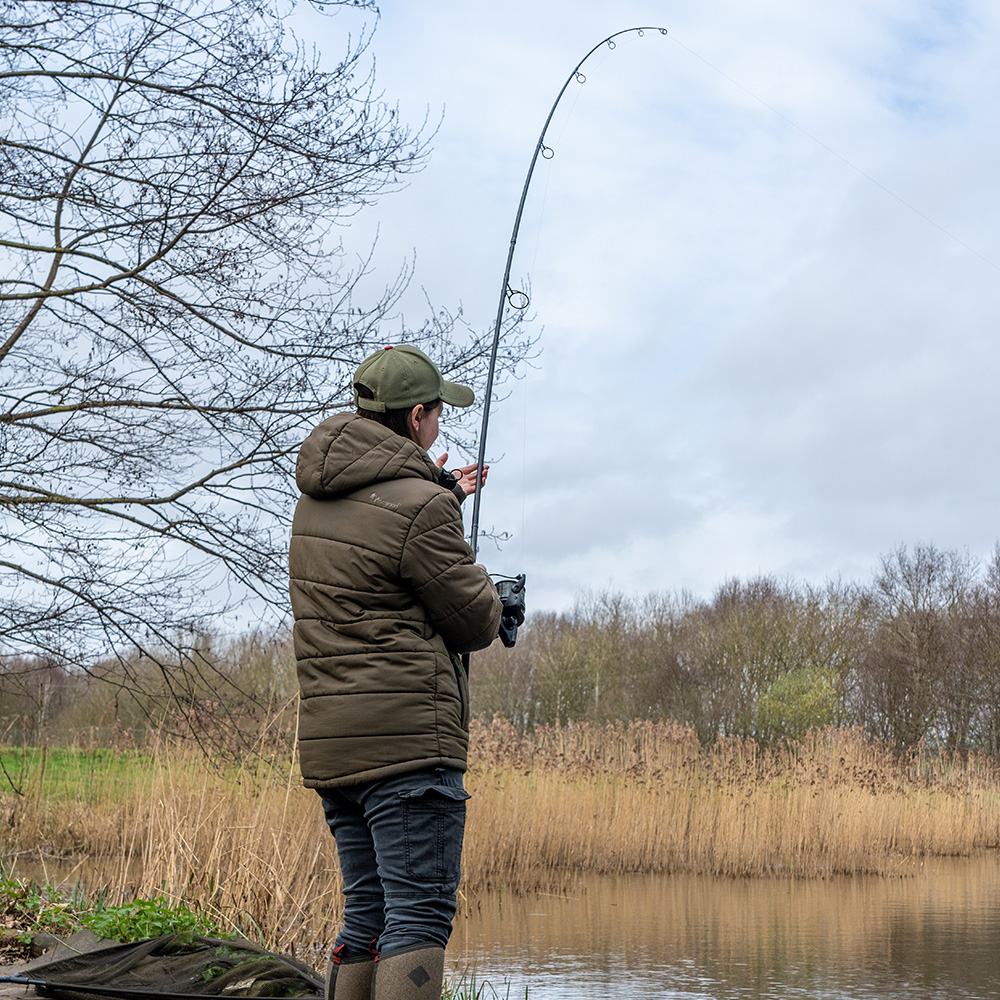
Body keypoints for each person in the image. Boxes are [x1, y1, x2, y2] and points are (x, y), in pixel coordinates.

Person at [289, 344, 503, 1000]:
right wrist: (490, 587)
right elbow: (476, 621)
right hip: (409, 748)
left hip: (337, 750)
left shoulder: (315, 504)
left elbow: (383, 572)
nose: (441, 424)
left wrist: (442, 496)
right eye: (438, 413)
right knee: (418, 917)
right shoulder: (421, 506)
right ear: (416, 418)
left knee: (368, 918)